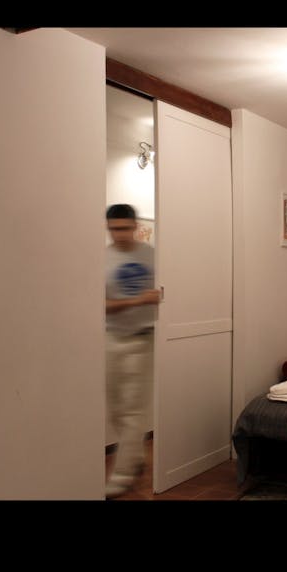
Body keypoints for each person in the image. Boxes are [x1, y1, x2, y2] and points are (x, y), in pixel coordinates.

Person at [105, 203, 162, 497]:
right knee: (116, 409)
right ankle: (136, 457)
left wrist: (157, 298)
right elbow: (101, 305)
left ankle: (123, 475)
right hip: (111, 338)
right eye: (114, 229)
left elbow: (166, 292)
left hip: (143, 339)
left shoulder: (152, 256)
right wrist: (138, 300)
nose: (120, 234)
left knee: (133, 411)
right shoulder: (102, 259)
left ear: (135, 226)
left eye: (125, 228)